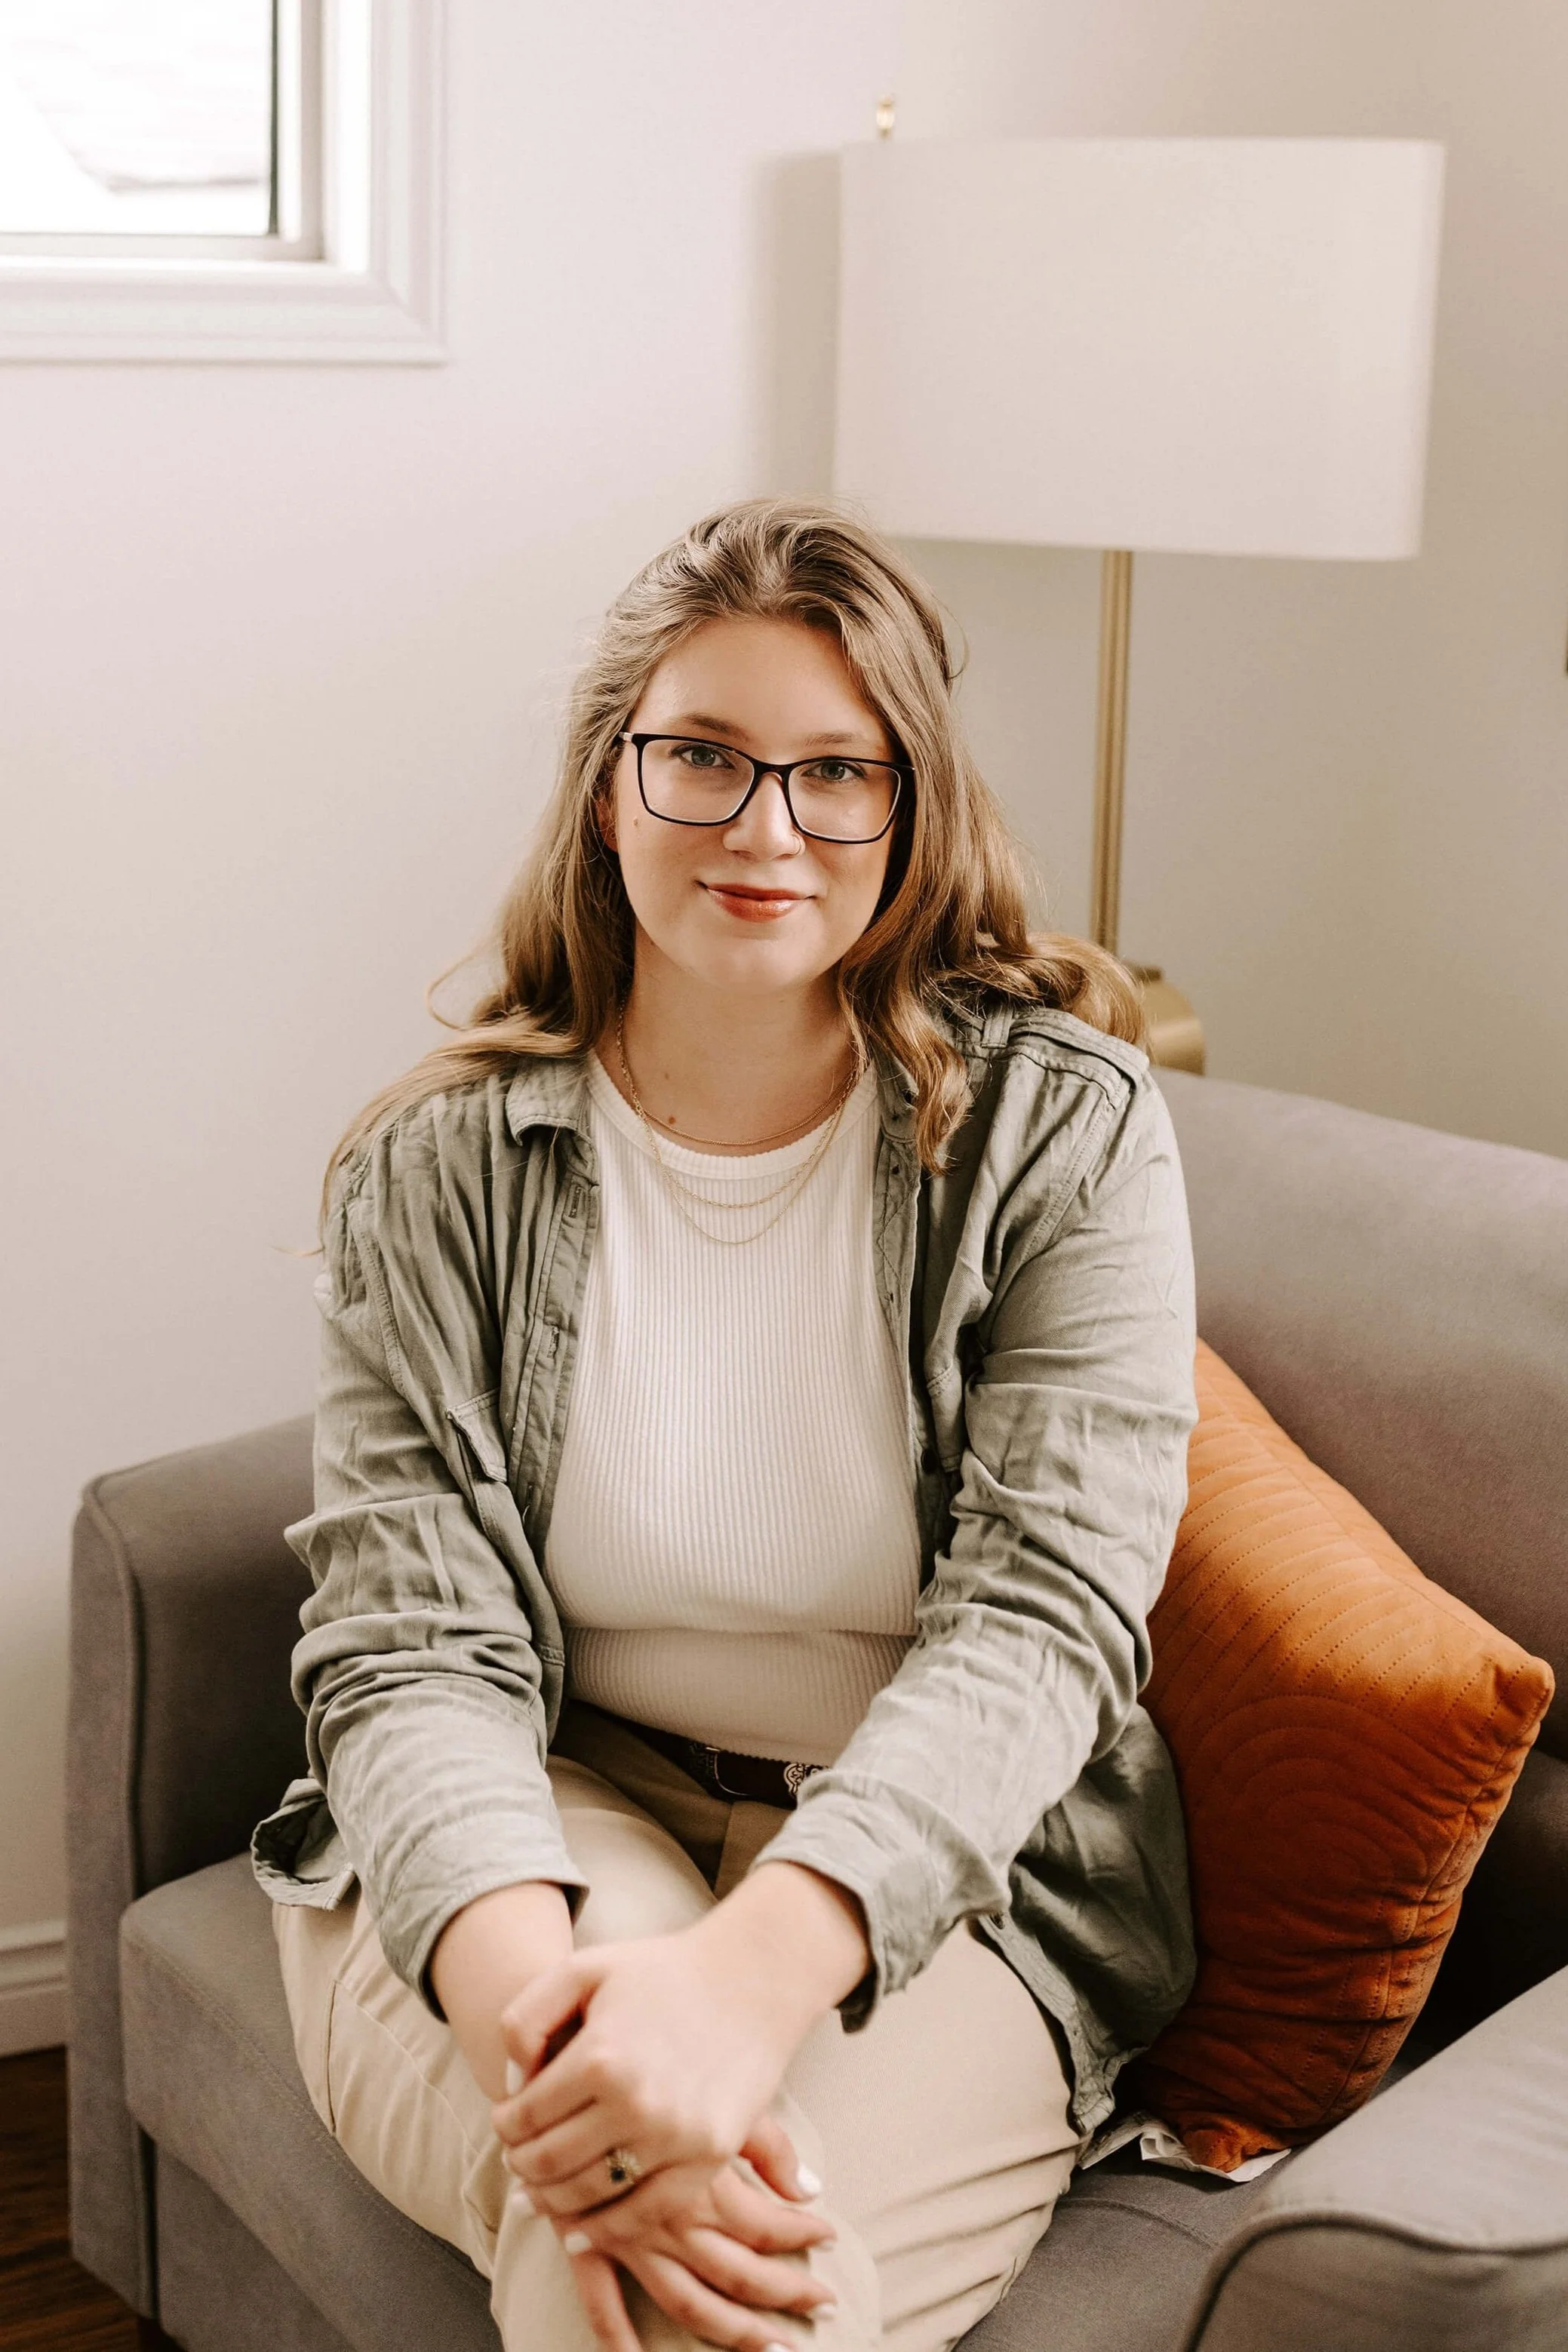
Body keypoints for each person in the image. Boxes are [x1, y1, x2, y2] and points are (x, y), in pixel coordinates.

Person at [252, 497, 1199, 2352]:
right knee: (632, 2222)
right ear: (610, 789)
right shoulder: (435, 1173)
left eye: (837, 772)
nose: (767, 828)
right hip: (545, 1801)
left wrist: (745, 1989)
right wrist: (566, 2018)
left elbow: (1048, 1618)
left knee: (676, 2308)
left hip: (941, 1865)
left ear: (908, 811)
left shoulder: (1064, 1138)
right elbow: (408, 1649)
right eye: (702, 757)